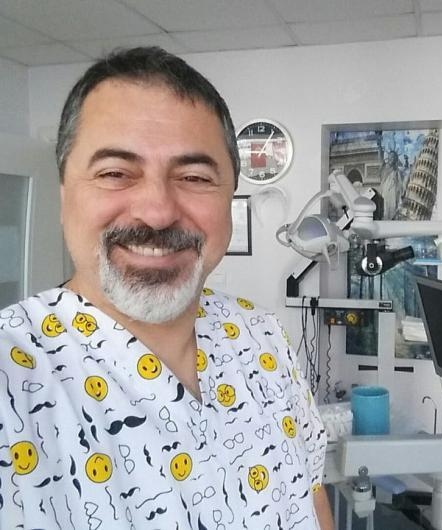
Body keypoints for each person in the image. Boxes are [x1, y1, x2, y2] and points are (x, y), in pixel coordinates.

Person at [0, 47, 333, 529]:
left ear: (229, 201)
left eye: (194, 177)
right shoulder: (15, 375)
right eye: (115, 173)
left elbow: (311, 491)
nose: (157, 213)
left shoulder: (263, 336)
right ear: (65, 195)